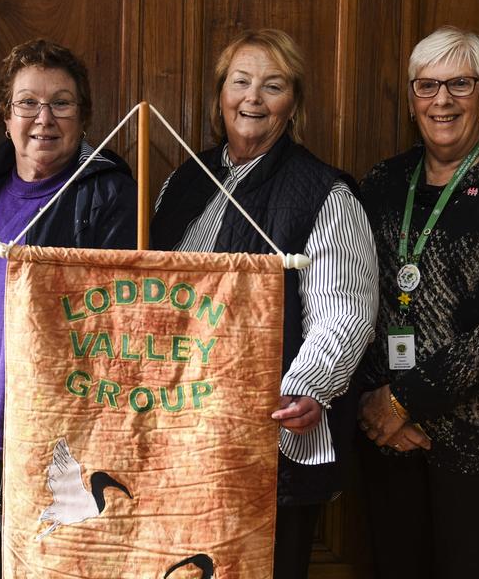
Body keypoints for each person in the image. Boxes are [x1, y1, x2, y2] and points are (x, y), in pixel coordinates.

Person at [150, 29, 377, 579]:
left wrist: (309, 388)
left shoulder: (325, 193)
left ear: (293, 103)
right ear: (219, 96)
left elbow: (344, 307)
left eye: (272, 86)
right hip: (175, 436)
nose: (253, 98)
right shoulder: (182, 181)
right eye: (241, 82)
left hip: (263, 440)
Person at [0, 39, 137, 578]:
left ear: (85, 117)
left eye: (62, 103)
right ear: (6, 115)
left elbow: (119, 331)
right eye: (28, 103)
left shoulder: (108, 195)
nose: (44, 118)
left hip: (58, 448)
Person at [355, 26, 479, 578]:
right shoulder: (383, 181)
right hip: (391, 441)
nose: (441, 100)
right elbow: (350, 299)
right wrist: (377, 404)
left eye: (460, 84)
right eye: (426, 86)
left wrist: (403, 398)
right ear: (410, 99)